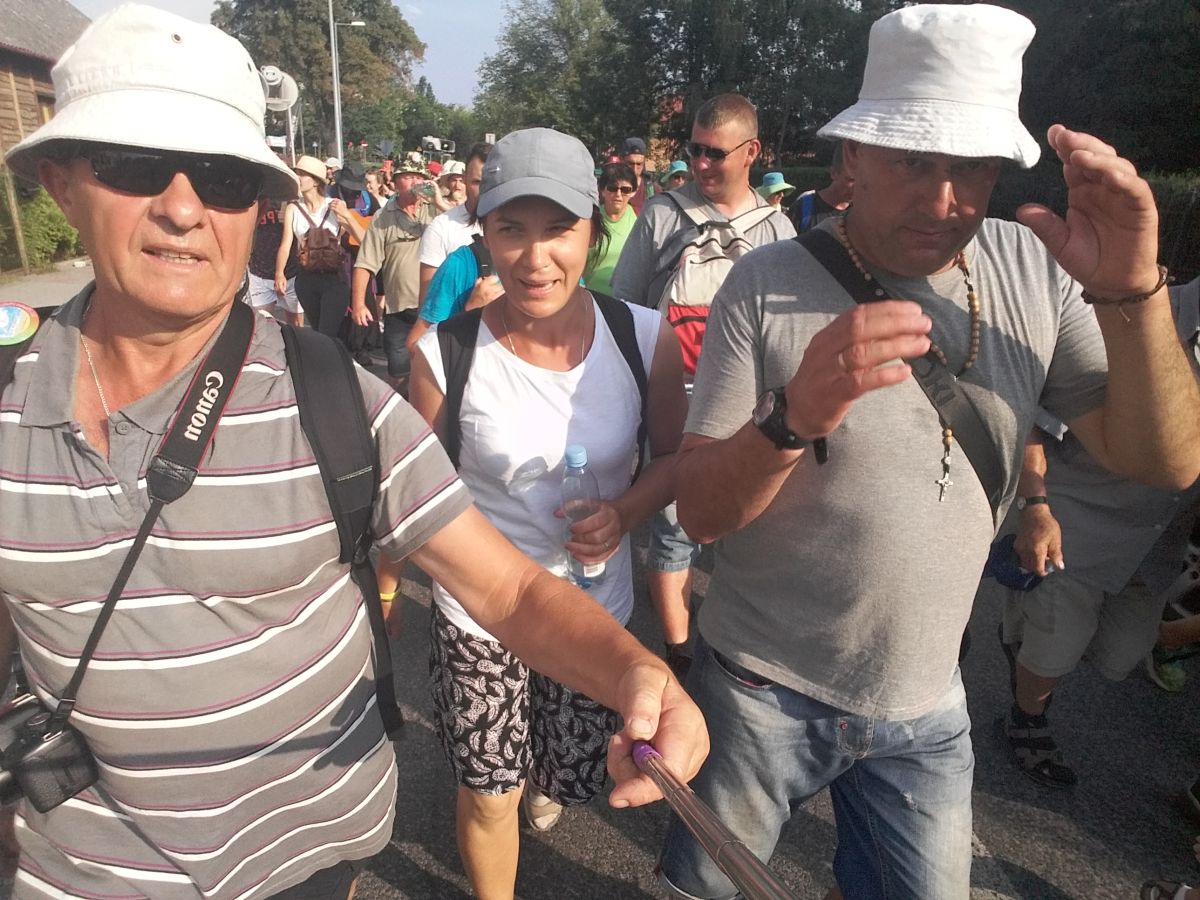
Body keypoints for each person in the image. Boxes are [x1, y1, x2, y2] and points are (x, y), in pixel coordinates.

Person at [0, 8, 708, 899]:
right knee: (489, 793)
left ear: (257, 208)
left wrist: (640, 671)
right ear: (61, 185)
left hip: (309, 856)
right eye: (135, 165)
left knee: (538, 779)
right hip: (87, 874)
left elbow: (508, 588)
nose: (182, 208)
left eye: (222, 178)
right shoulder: (8, 401)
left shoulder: (336, 396)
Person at [657, 5, 1200, 899]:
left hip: (926, 701)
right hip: (759, 688)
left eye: (971, 167)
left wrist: (1134, 292)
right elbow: (701, 513)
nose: (944, 201)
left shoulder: (1034, 268)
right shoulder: (764, 282)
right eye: (915, 161)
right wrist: (791, 418)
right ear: (854, 158)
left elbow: (1167, 462)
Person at [405, 125, 687, 900]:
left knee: (563, 773)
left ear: (594, 229)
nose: (535, 258)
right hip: (479, 617)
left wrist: (624, 513)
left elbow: (675, 458)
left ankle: (542, 776)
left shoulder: (644, 339)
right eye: (511, 229)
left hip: (594, 608)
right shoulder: (444, 354)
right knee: (489, 792)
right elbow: (414, 494)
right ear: (483, 234)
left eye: (559, 228)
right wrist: (388, 583)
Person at [610, 93, 795, 680]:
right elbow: (625, 307)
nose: (701, 164)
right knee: (672, 530)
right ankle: (681, 655)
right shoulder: (662, 215)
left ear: (751, 152)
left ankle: (740, 649)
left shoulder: (778, 228)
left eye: (715, 153)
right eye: (694, 150)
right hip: (674, 399)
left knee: (751, 524)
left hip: (752, 405)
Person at [996, 277, 1200, 787]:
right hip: (1078, 524)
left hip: (1157, 546)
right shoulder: (1137, 320)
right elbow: (1034, 414)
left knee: (1121, 653)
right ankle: (1026, 720)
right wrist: (1036, 506)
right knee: (1056, 645)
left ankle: (1021, 636)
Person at [351, 156, 437, 392]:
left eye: (420, 177)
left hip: (435, 306)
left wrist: (438, 200)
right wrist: (358, 304)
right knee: (398, 373)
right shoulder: (383, 216)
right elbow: (365, 263)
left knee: (435, 372)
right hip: (399, 309)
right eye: (409, 177)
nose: (415, 182)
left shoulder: (437, 209)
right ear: (395, 182)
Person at [276, 154, 365, 338]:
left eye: (302, 174)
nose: (297, 178)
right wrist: (279, 273)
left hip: (334, 279)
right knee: (317, 333)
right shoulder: (293, 208)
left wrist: (347, 215)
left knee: (327, 334)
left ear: (316, 181)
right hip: (306, 278)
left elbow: (364, 240)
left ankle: (336, 356)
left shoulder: (334, 205)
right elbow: (285, 244)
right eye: (296, 173)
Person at [416, 143, 492, 307]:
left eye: (490, 182)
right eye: (477, 182)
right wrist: (471, 308)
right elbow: (428, 307)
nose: (483, 191)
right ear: (465, 178)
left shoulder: (519, 227)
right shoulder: (441, 229)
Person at [247, 192, 303, 326]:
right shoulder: (252, 195)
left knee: (296, 327)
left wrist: (293, 214)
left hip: (290, 273)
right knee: (260, 326)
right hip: (258, 272)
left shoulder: (290, 198)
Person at [586, 162, 639, 296]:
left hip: (627, 299)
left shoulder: (640, 219)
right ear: (602, 190)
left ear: (633, 192)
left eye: (625, 190)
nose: (618, 194)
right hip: (594, 297)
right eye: (612, 188)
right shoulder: (590, 220)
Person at [790, 143, 853, 233]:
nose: (858, 187)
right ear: (834, 173)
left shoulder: (863, 212)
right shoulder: (803, 208)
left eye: (863, 181)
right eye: (851, 180)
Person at [622, 136, 654, 214]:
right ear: (622, 161)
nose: (634, 169)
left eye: (639, 164)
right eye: (630, 164)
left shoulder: (653, 190)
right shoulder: (610, 188)